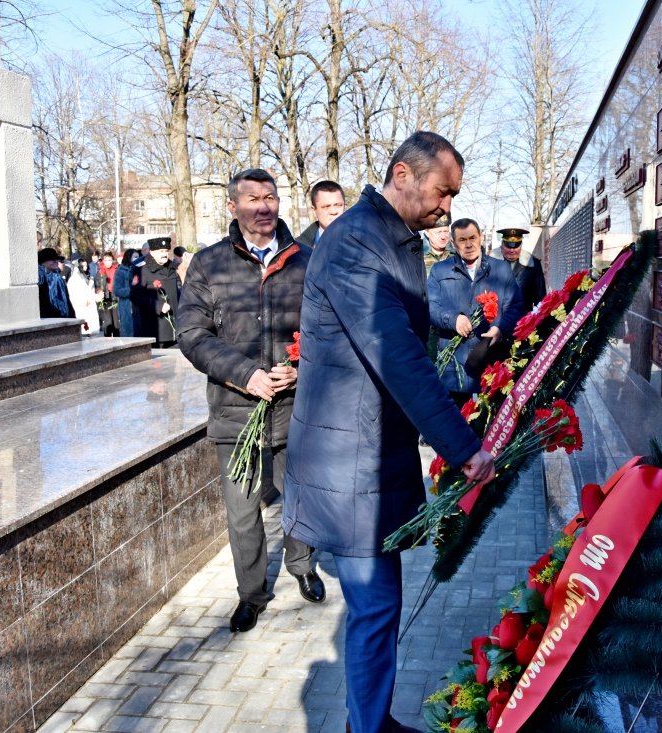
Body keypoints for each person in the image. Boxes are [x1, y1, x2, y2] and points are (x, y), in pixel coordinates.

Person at [281, 131, 495, 733]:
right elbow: (396, 354)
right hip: (346, 462)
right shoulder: (356, 241)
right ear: (403, 173)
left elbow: (408, 335)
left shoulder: (390, 239)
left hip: (369, 456)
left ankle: (371, 721)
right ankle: (366, 728)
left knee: (382, 607)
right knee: (375, 609)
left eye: (453, 196)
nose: (448, 206)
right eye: (442, 190)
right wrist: (464, 448)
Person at [177, 168, 325, 634]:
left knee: (300, 501)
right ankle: (252, 593)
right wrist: (246, 376)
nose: (264, 207)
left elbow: (331, 328)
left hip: (295, 408)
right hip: (235, 414)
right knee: (243, 515)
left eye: (271, 198)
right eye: (253, 199)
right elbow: (191, 334)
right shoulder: (209, 264)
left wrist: (302, 368)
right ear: (233, 207)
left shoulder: (307, 260)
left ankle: (302, 566)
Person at [429, 218, 523, 405]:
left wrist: (500, 329)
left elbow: (516, 307)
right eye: (462, 240)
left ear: (481, 237)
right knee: (456, 426)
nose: (469, 244)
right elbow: (430, 308)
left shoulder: (501, 269)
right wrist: (452, 319)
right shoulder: (439, 271)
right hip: (455, 365)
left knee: (491, 426)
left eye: (473, 237)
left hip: (492, 360)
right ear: (453, 243)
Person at [130, 237, 180, 347]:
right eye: (161, 251)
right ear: (152, 252)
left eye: (166, 251)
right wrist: (158, 306)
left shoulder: (172, 269)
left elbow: (179, 293)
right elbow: (135, 296)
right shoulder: (143, 270)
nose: (164, 254)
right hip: (156, 331)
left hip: (177, 331)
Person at [489, 226, 546, 313]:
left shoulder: (533, 264)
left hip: (523, 322)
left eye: (516, 246)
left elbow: (541, 300)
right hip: (497, 322)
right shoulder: (489, 263)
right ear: (502, 244)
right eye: (508, 246)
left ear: (521, 245)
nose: (512, 250)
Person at [422, 212, 452, 363]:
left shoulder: (457, 257)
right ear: (427, 232)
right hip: (426, 328)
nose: (443, 236)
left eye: (446, 231)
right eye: (438, 231)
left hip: (452, 327)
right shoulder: (417, 256)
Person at [294, 180, 345, 249]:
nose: (333, 212)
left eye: (338, 205)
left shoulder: (361, 242)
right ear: (314, 210)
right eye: (326, 207)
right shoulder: (297, 250)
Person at [37, 247, 76, 319]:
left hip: (64, 318)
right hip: (48, 319)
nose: (56, 261)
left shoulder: (58, 278)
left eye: (57, 259)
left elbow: (67, 299)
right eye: (52, 259)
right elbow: (42, 302)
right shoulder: (40, 278)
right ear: (43, 261)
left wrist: (72, 315)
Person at [68, 258, 100, 336]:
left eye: (86, 265)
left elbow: (91, 292)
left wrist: (97, 297)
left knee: (92, 332)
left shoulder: (88, 277)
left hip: (91, 308)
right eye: (83, 266)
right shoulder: (73, 280)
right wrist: (84, 302)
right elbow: (72, 296)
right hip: (81, 309)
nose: (85, 267)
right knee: (85, 331)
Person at [114, 249, 138, 337]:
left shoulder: (139, 270)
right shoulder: (120, 271)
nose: (137, 259)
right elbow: (116, 290)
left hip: (138, 306)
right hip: (126, 307)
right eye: (135, 257)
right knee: (128, 333)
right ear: (129, 258)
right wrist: (131, 291)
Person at [97, 252, 121, 337]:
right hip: (105, 299)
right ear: (103, 261)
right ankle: (107, 340)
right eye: (106, 260)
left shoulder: (117, 270)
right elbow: (97, 285)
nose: (107, 262)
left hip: (115, 298)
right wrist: (99, 291)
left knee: (116, 323)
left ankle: (117, 340)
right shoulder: (100, 272)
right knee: (108, 323)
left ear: (113, 260)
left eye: (109, 260)